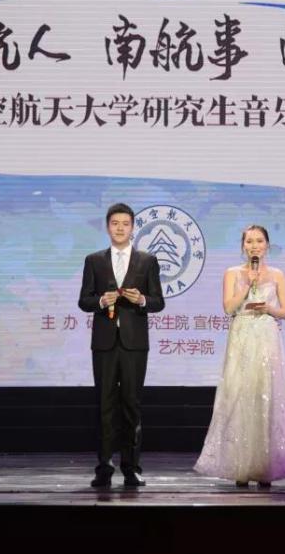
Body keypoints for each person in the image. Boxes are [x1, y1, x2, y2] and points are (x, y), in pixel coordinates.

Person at [194, 224, 285, 487]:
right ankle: (241, 465)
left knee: (266, 396)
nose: (254, 246)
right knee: (239, 396)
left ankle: (266, 467)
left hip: (266, 335)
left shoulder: (277, 274)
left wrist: (269, 308)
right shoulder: (232, 273)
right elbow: (228, 307)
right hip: (241, 335)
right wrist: (247, 285)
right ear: (243, 246)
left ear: (267, 245)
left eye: (259, 241)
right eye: (249, 241)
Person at [78, 203, 165, 488]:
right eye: (115, 223)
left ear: (132, 227)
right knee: (104, 405)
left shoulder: (147, 260)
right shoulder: (94, 260)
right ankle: (104, 467)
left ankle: (131, 467)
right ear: (107, 227)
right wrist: (102, 301)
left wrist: (141, 299)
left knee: (131, 405)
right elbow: (84, 301)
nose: (120, 228)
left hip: (134, 344)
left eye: (125, 224)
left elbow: (158, 302)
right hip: (104, 344)